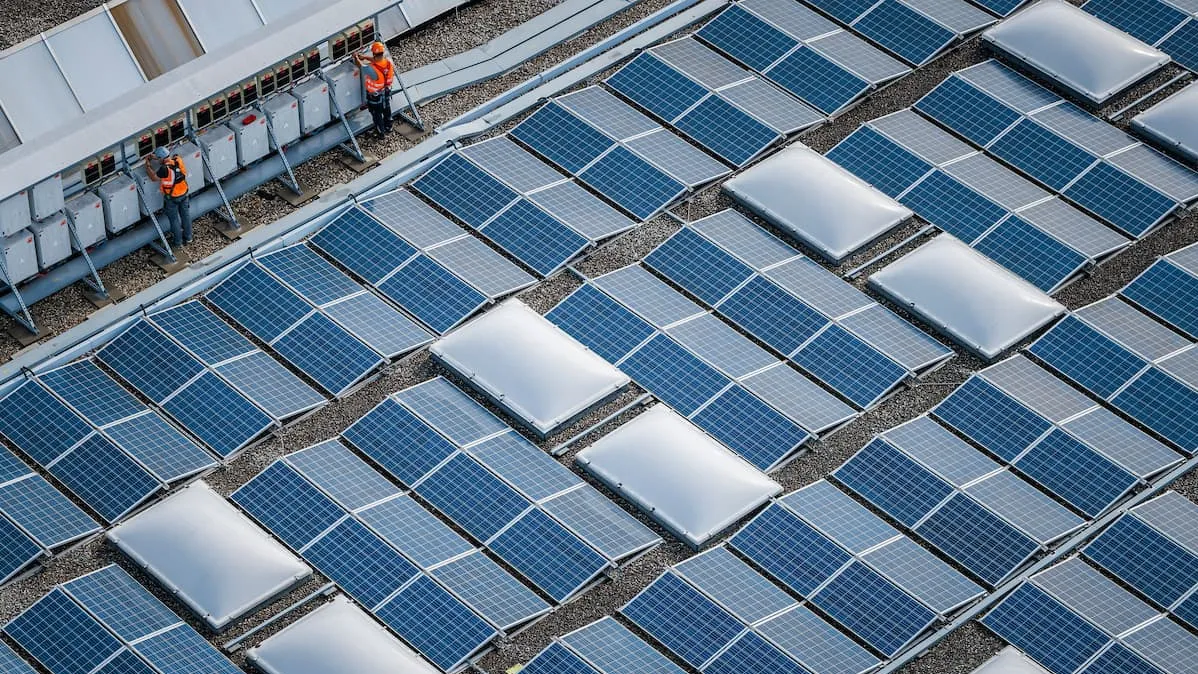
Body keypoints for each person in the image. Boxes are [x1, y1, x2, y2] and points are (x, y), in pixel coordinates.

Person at [147, 147, 191, 245]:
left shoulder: (164, 169)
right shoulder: (178, 160)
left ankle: (178, 242)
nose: (158, 160)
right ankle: (188, 237)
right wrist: (155, 156)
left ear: (161, 158)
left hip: (172, 198)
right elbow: (171, 158)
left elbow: (153, 178)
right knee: (185, 216)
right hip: (184, 194)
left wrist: (148, 166)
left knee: (174, 220)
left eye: (158, 158)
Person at [355, 41, 395, 138]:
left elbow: (360, 65)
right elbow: (376, 61)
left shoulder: (372, 70)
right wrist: (365, 57)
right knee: (386, 108)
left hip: (375, 96)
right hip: (386, 91)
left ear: (373, 53)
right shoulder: (387, 63)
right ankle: (389, 126)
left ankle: (380, 133)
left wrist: (356, 57)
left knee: (376, 114)